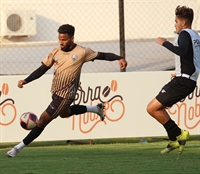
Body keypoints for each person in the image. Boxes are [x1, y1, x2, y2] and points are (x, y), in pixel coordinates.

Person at [6, 24, 127, 157]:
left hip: (66, 95)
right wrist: (26, 80)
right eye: (59, 39)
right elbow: (42, 69)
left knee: (41, 121)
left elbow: (103, 55)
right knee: (65, 113)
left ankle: (17, 148)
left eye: (64, 39)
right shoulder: (55, 52)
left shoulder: (82, 52)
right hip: (55, 93)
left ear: (72, 38)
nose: (61, 42)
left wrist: (119, 58)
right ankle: (96, 108)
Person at [147, 6, 200, 154]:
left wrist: (165, 43)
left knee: (151, 108)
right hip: (187, 79)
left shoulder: (184, 34)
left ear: (183, 22)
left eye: (176, 21)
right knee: (158, 109)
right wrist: (182, 72)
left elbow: (182, 52)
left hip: (183, 81)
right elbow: (193, 58)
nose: (174, 24)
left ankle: (179, 134)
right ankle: (174, 140)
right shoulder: (196, 36)